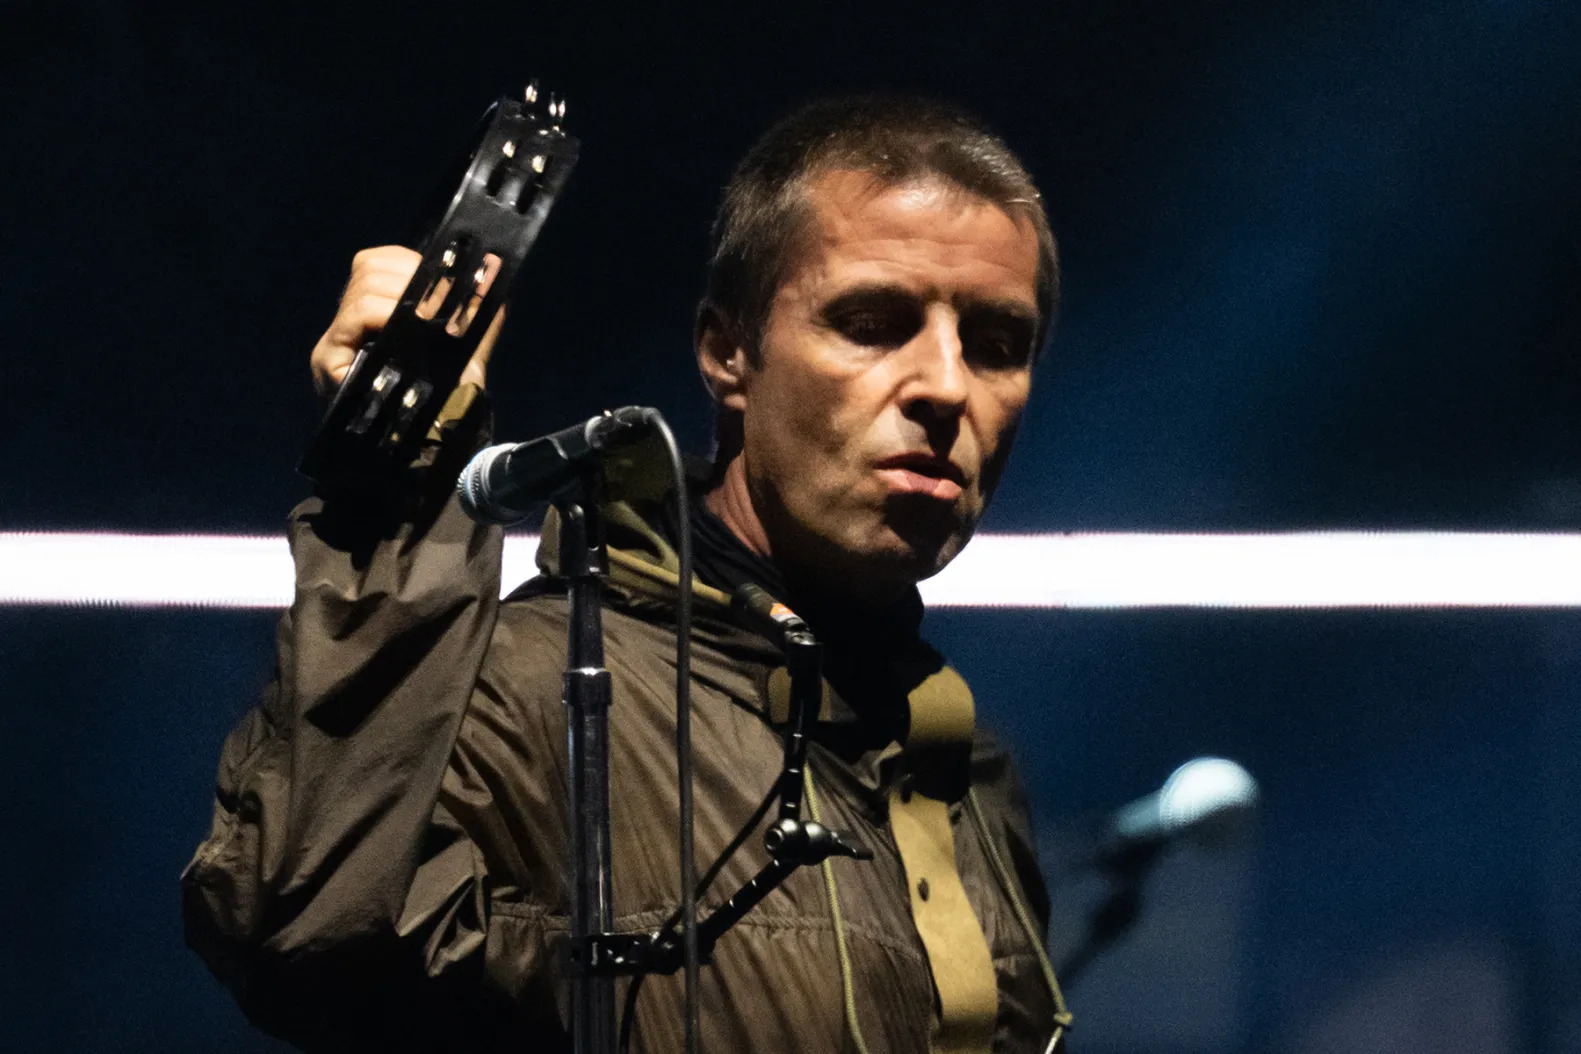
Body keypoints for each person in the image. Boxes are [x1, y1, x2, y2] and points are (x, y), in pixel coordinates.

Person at [183, 95, 1071, 1053]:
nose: (946, 385)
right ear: (728, 352)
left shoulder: (966, 770)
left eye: (997, 346)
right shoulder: (534, 693)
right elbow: (304, 930)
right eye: (869, 322)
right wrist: (398, 483)